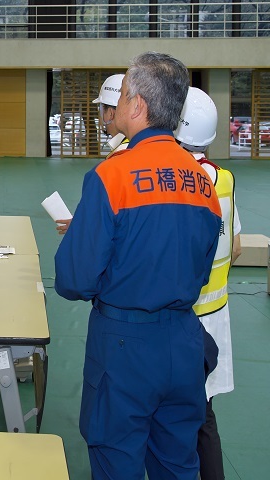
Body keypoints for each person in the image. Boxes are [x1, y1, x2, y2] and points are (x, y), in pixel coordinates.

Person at [54, 52, 223, 480]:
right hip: (184, 342)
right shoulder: (203, 182)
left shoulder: (112, 177)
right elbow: (200, 268)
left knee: (116, 462)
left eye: (124, 91)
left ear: (137, 106)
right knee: (177, 464)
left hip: (125, 347)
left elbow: (74, 279)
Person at [175, 86, 242, 480]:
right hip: (215, 317)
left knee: (166, 416)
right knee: (204, 417)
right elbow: (233, 246)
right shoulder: (226, 179)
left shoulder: (177, 181)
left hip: (181, 321)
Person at [55, 74, 128, 236]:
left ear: (110, 113)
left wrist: (84, 225)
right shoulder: (133, 146)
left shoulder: (121, 155)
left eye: (101, 109)